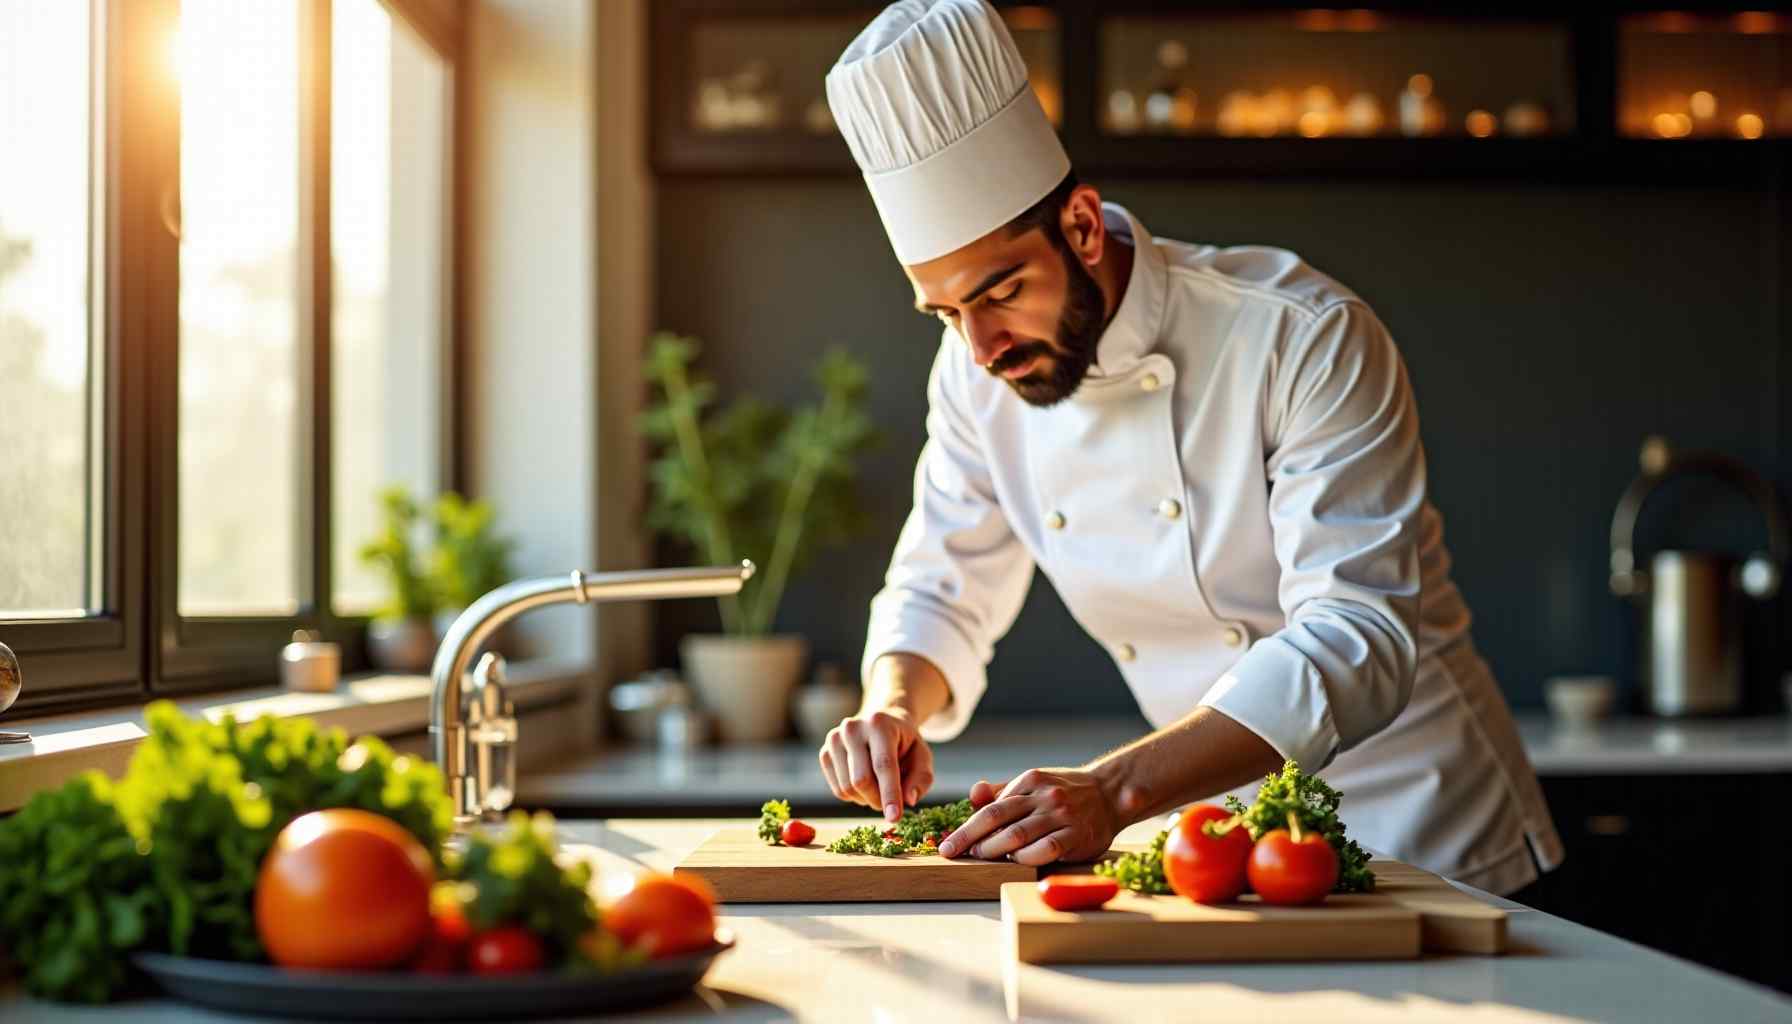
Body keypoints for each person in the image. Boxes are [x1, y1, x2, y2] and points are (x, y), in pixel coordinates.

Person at [815, 0, 1560, 895]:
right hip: (1220, 848)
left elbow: (1357, 632)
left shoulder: (1302, 335)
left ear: (1083, 228)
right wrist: (891, 707)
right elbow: (942, 583)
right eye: (945, 313)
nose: (980, 347)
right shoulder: (976, 370)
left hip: (1426, 832)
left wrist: (1114, 789)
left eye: (1002, 292)